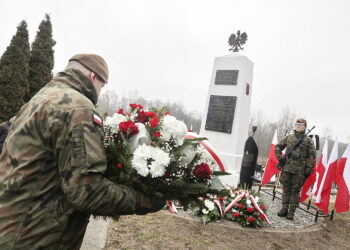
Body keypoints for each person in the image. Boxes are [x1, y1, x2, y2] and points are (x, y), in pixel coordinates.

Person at [0, 54, 165, 249]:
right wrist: (148, 199)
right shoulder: (78, 109)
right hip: (39, 236)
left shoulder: (39, 99)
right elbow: (87, 192)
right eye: (102, 86)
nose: (100, 92)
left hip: (11, 224)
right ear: (93, 77)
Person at [275, 118, 316, 220]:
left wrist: (307, 171)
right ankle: (284, 208)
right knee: (286, 190)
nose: (298, 126)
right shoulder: (289, 137)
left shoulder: (308, 141)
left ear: (305, 127)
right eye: (297, 124)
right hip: (287, 168)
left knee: (295, 191)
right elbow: (278, 147)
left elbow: (312, 157)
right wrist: (280, 157)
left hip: (299, 172)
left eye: (301, 124)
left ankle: (291, 212)